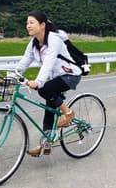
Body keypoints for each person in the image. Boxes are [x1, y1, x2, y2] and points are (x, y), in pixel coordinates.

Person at [15, 10, 82, 156]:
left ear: (43, 25)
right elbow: (23, 64)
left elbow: (49, 63)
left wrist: (38, 82)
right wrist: (12, 75)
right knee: (49, 108)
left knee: (44, 90)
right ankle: (46, 144)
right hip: (56, 79)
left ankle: (68, 113)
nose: (28, 26)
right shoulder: (33, 44)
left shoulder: (54, 39)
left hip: (70, 75)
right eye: (27, 23)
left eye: (31, 23)